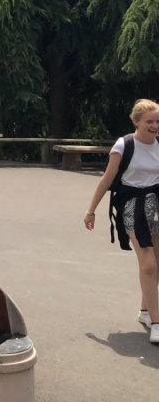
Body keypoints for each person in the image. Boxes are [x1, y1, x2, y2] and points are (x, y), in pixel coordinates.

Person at [84, 99, 159, 345]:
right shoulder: (124, 145)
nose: (155, 125)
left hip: (156, 206)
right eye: (150, 121)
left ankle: (146, 312)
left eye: (157, 121)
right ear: (136, 121)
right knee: (148, 264)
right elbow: (107, 179)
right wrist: (91, 211)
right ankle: (157, 324)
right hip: (132, 205)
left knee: (157, 263)